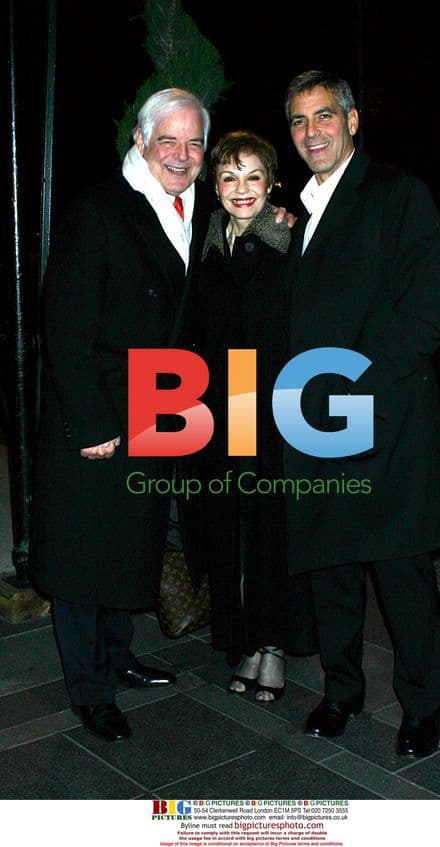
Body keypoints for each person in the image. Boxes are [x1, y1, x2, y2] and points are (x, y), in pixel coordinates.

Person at [282, 70, 440, 755]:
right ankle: (342, 691)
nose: (312, 131)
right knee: (331, 566)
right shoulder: (291, 212)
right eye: (299, 121)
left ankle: (422, 706)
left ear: (352, 120)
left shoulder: (396, 195)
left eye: (324, 115)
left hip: (381, 417)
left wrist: (355, 389)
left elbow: (426, 314)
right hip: (312, 420)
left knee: (400, 572)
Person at [28, 88, 215, 742]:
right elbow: (67, 327)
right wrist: (94, 423)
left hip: (158, 411)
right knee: (85, 554)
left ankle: (116, 655)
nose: (182, 154)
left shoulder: (196, 211)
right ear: (140, 141)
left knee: (129, 543)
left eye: (194, 142)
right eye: (169, 139)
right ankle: (89, 687)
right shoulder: (99, 210)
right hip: (103, 416)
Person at [179, 130, 317, 701]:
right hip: (221, 408)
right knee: (232, 527)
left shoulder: (290, 238)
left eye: (254, 176)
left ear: (271, 184)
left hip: (277, 406)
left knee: (272, 530)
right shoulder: (203, 245)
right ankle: (243, 640)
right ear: (215, 185)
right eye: (230, 177)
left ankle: (274, 645)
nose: (242, 189)